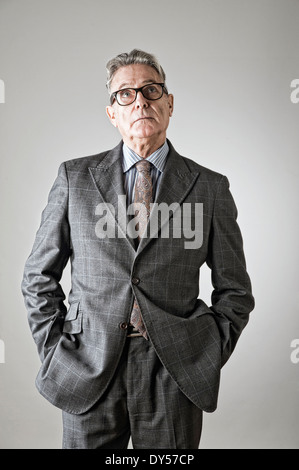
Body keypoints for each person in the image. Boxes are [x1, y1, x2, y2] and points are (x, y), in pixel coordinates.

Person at [21, 49, 254, 449]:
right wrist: (57, 350)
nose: (140, 100)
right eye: (125, 94)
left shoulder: (210, 187)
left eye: (150, 89)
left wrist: (205, 351)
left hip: (174, 369)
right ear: (112, 112)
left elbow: (235, 290)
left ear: (170, 103)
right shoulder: (75, 178)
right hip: (88, 363)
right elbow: (37, 278)